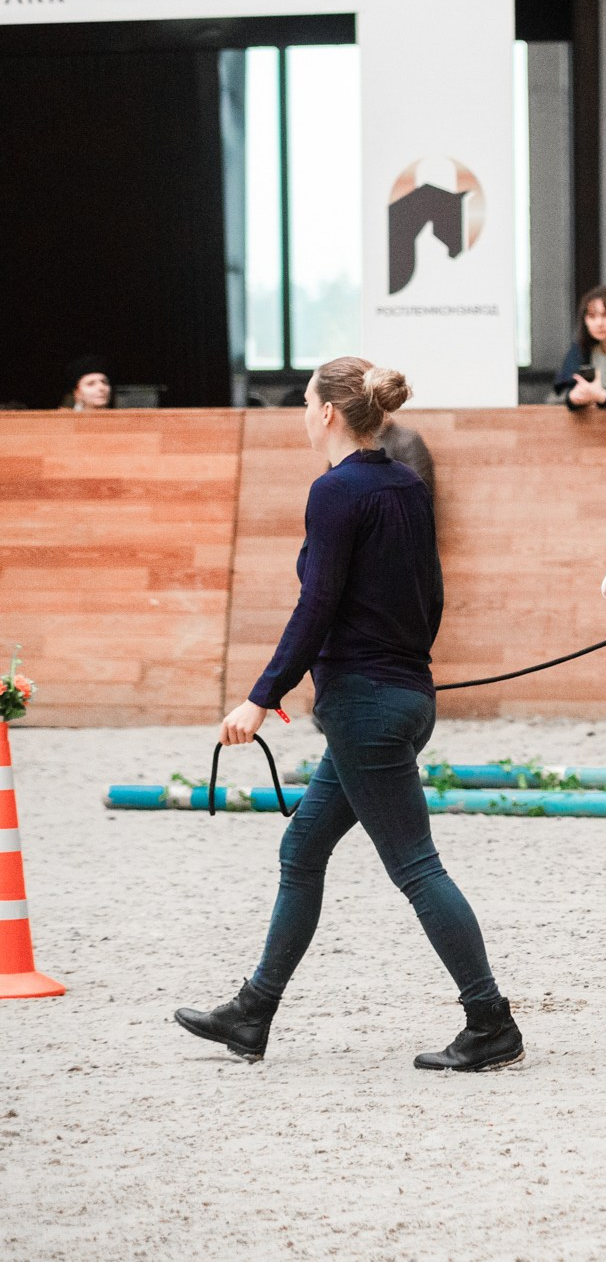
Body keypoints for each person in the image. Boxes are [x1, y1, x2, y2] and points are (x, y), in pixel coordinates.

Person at [175, 357, 522, 1073]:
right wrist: (399, 669)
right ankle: (253, 1011)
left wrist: (261, 695)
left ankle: (490, 1020)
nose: (304, 412)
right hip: (401, 697)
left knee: (417, 867)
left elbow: (317, 604)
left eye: (306, 401)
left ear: (329, 412)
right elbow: (432, 598)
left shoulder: (335, 492)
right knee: (302, 849)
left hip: (365, 707)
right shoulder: (406, 485)